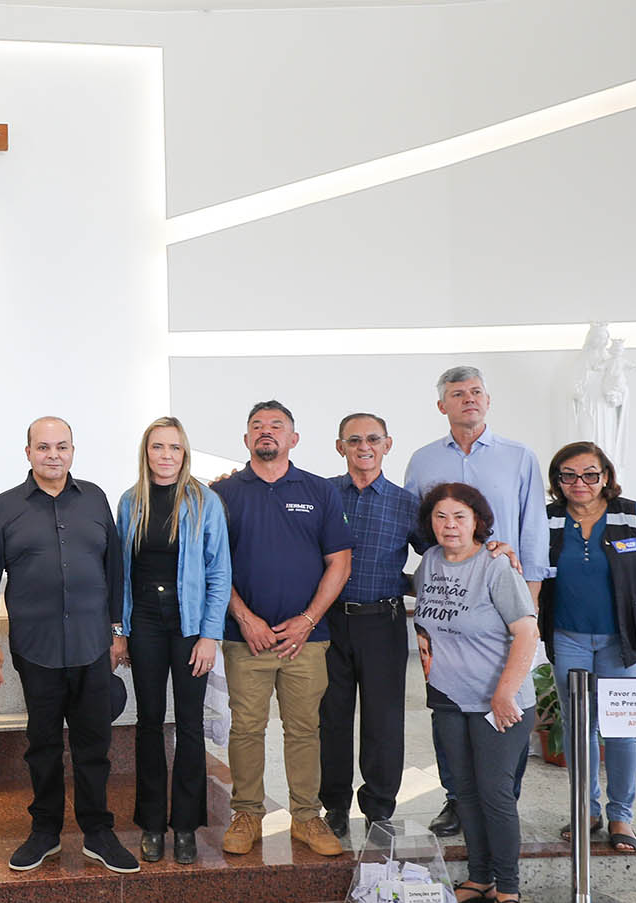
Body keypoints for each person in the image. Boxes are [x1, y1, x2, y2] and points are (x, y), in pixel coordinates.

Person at [0, 417, 136, 874]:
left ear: (72, 450)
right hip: (37, 647)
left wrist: (116, 631)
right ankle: (43, 831)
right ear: (27, 452)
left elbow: (115, 568)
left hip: (91, 645)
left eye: (61, 446)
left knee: (93, 745)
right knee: (42, 745)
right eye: (43, 446)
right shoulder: (7, 508)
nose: (53, 454)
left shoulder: (96, 499)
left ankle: (98, 833)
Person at [404, 367, 547, 837]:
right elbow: (416, 529)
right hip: (449, 602)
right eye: (457, 394)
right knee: (448, 700)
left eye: (476, 392)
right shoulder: (423, 461)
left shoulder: (518, 456)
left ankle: (503, 798)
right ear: (441, 405)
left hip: (503, 594)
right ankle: (457, 798)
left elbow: (532, 530)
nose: (468, 399)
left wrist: (530, 602)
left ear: (488, 399)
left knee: (507, 701)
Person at [210, 401, 351, 859]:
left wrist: (309, 620)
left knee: (305, 728)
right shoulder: (224, 495)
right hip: (244, 638)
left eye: (277, 426)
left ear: (294, 438)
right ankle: (247, 812)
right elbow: (214, 564)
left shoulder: (319, 490)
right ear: (246, 439)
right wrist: (244, 617)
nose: (266, 432)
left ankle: (306, 817)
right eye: (257, 426)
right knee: (246, 727)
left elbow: (339, 562)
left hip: (305, 641)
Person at [536, 442, 636, 853]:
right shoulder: (547, 520)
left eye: (589, 474)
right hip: (568, 638)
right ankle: (586, 810)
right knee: (579, 729)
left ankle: (622, 816)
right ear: (557, 480)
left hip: (622, 643)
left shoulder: (632, 515)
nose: (579, 483)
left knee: (622, 729)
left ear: (606, 477)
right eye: (568, 475)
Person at [412, 482, 538, 903]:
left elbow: (527, 632)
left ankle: (508, 889)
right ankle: (480, 878)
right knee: (463, 791)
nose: (449, 525)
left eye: (459, 517)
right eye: (441, 517)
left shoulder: (497, 566)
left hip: (497, 701)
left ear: (477, 522)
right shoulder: (428, 563)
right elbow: (428, 621)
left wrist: (504, 693)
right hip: (448, 695)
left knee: (494, 794)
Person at [114, 417, 230, 866]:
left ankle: (184, 825)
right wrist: (119, 632)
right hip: (143, 622)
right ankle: (150, 824)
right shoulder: (131, 501)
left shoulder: (205, 501)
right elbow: (122, 573)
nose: (166, 455)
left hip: (189, 628)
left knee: (189, 724)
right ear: (146, 452)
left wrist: (209, 635)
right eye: (158, 447)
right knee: (147, 722)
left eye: (174, 448)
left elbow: (220, 572)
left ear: (185, 454)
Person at [319, 413, 420, 839]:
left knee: (383, 721)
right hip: (328, 623)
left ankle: (379, 808)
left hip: (383, 621)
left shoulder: (407, 503)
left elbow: (439, 556)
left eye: (373, 439)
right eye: (354, 439)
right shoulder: (322, 494)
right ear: (340, 446)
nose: (365, 447)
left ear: (388, 444)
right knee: (332, 718)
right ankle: (336, 807)